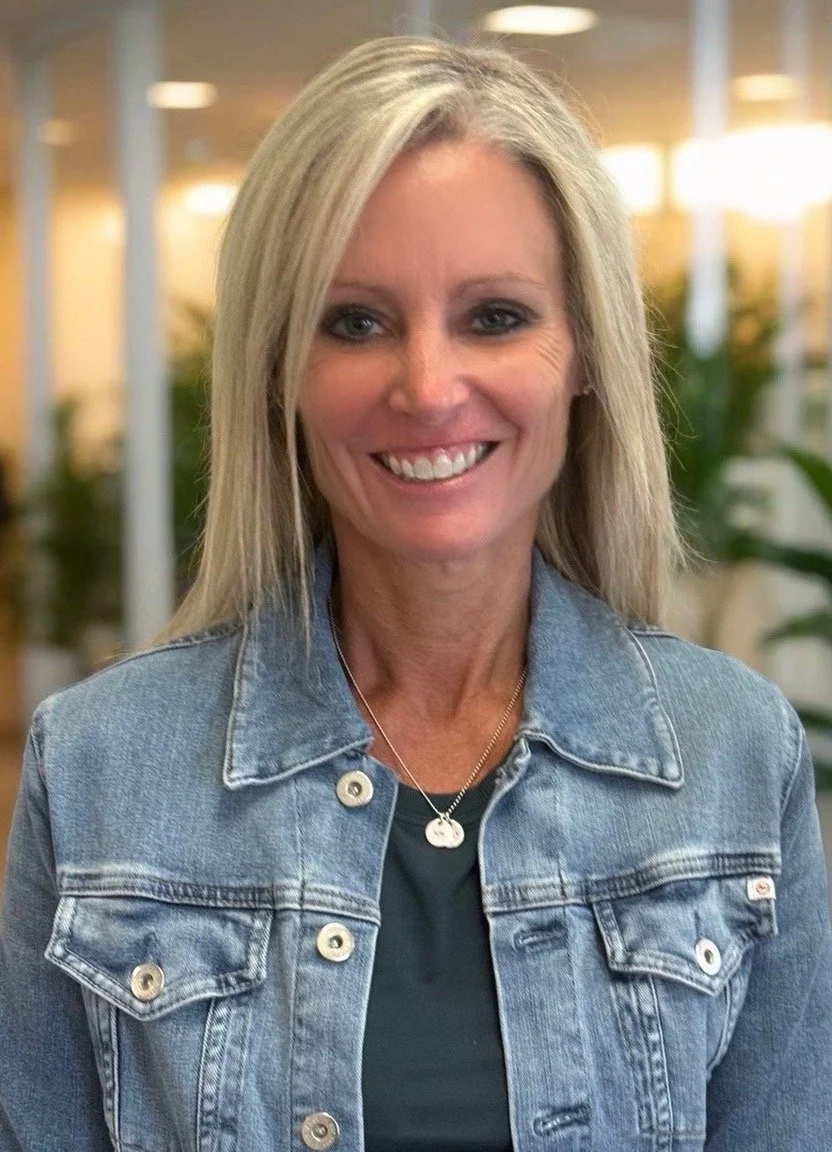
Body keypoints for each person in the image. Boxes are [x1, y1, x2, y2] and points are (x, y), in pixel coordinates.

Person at [1, 34, 830, 1152]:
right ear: (279, 369)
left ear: (587, 350)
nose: (430, 388)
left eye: (495, 316)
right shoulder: (101, 765)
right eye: (356, 322)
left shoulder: (734, 753)